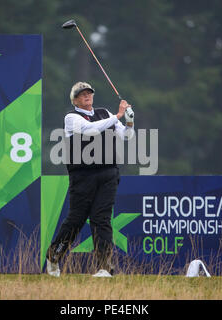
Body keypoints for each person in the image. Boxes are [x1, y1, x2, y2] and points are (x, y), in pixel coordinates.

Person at [46, 81, 135, 277]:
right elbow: (90, 130)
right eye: (82, 93)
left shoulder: (105, 113)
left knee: (101, 219)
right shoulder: (71, 117)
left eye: (89, 93)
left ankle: (105, 268)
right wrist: (119, 116)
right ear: (75, 99)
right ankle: (53, 256)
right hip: (82, 176)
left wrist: (129, 121)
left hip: (108, 174)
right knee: (76, 220)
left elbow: (127, 136)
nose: (87, 96)